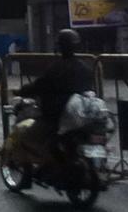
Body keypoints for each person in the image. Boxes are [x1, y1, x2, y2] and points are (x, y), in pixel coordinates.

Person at [16, 29, 93, 157]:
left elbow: (39, 85)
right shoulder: (85, 68)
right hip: (80, 115)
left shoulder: (56, 68)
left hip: (57, 115)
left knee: (30, 136)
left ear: (60, 47)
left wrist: (22, 91)